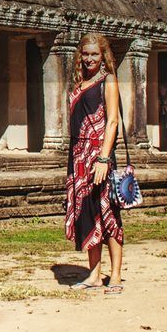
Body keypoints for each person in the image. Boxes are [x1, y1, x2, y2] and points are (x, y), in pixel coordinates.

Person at [65, 33, 124, 294]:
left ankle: (117, 277)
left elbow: (112, 121)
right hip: (79, 155)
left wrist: (103, 158)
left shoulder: (107, 80)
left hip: (99, 153)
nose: (89, 59)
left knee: (108, 213)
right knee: (88, 213)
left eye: (95, 54)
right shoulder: (80, 81)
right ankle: (94, 275)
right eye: (86, 54)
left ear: (103, 56)